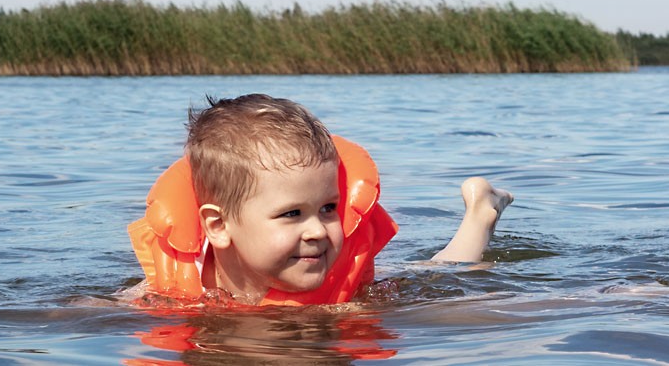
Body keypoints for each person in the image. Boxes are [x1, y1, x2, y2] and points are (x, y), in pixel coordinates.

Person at [127, 93, 512, 307]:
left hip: (341, 290)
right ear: (218, 225)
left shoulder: (343, 300)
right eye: (291, 214)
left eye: (328, 208)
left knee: (443, 271)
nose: (318, 230)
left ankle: (480, 214)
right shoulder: (177, 284)